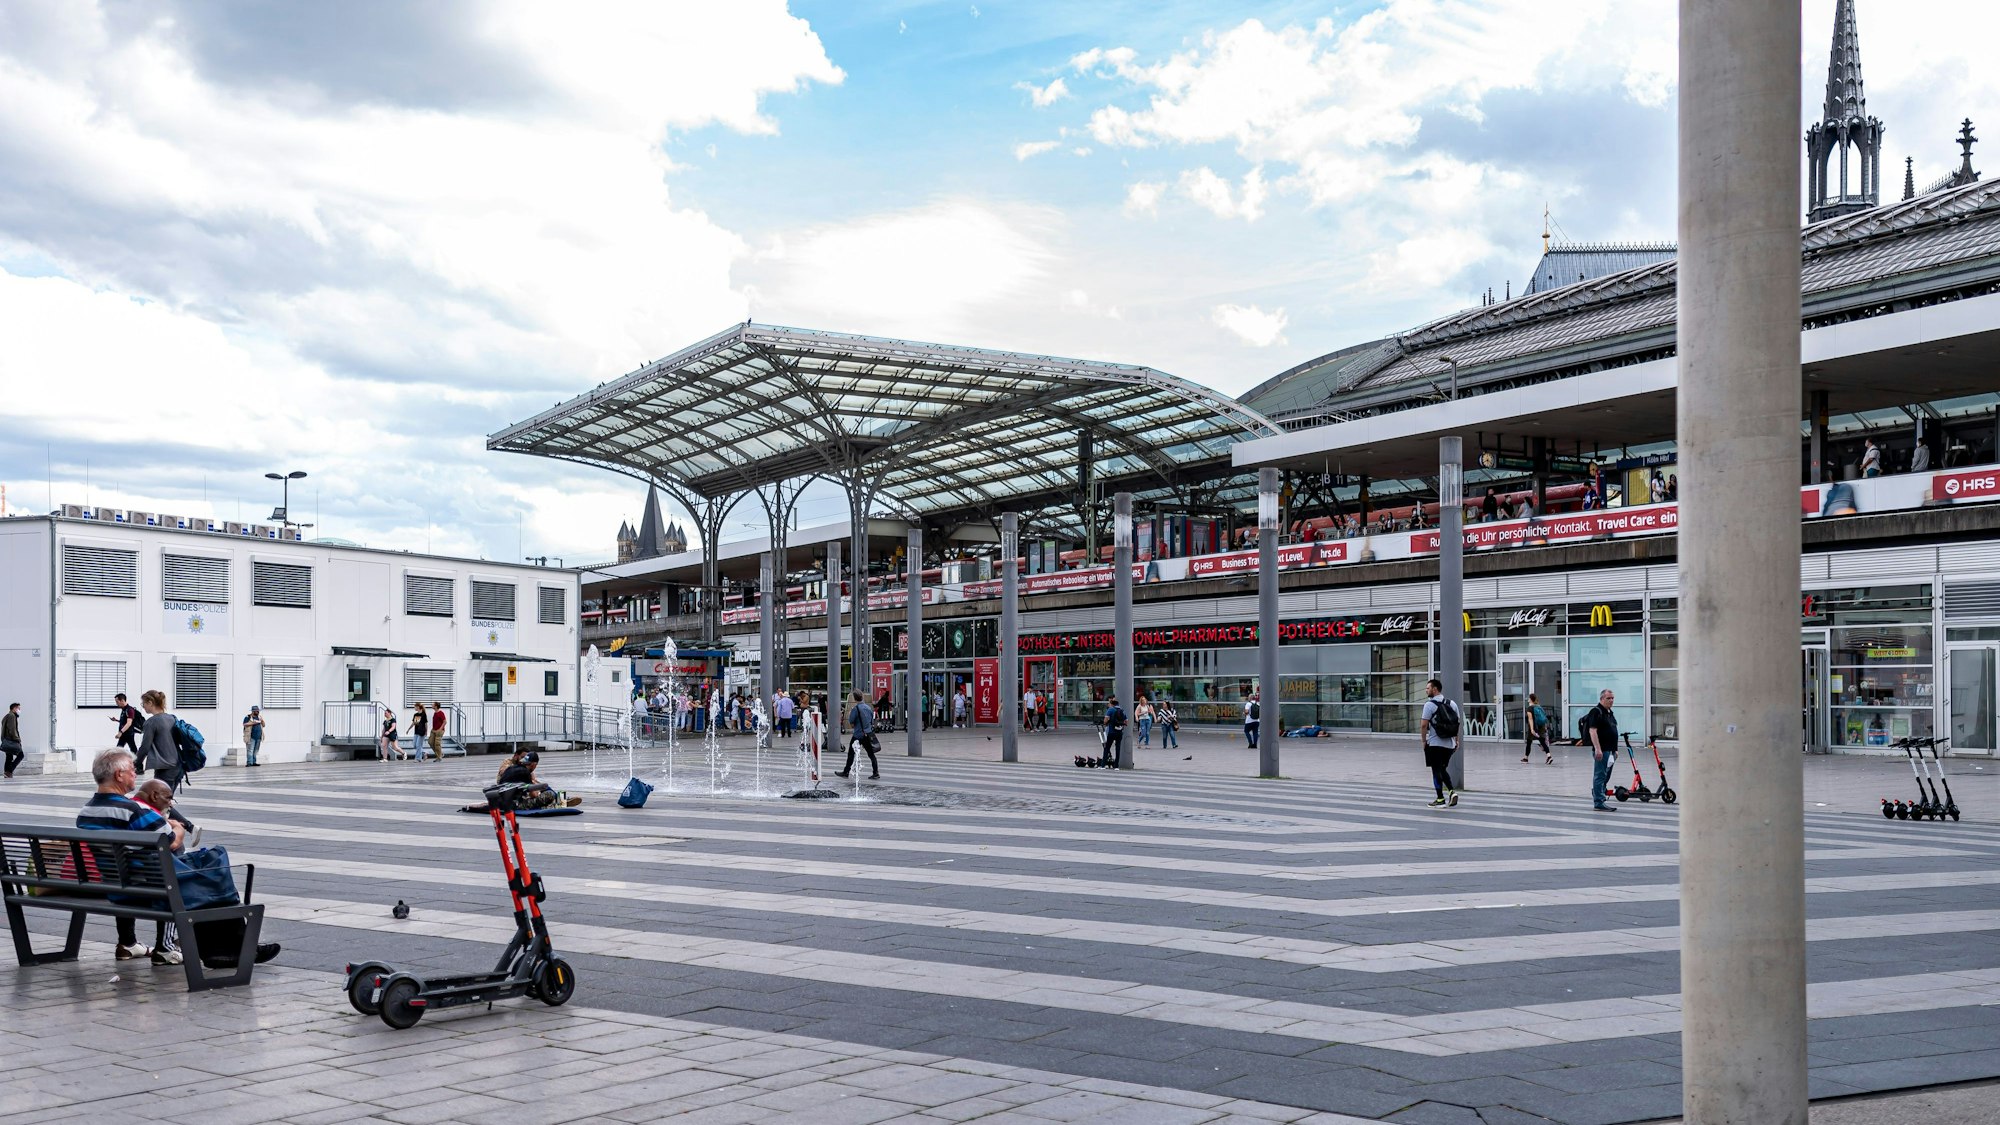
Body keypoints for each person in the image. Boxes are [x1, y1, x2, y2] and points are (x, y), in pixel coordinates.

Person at [77, 749, 183, 964]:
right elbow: (171, 841)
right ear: (119, 775)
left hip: (111, 885)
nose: (136, 774)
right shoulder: (133, 809)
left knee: (126, 867)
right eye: (133, 770)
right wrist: (178, 827)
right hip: (146, 887)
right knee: (178, 877)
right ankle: (165, 948)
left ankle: (128, 942)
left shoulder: (85, 811)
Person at [1420, 678, 1460, 808]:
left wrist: (1423, 741)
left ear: (1435, 689)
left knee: (1436, 770)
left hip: (1435, 743)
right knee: (1442, 768)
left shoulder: (1429, 705)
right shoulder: (1452, 703)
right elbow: (1456, 724)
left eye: (1428, 688)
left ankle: (1442, 797)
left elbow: (1423, 725)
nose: (1426, 690)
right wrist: (1456, 740)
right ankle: (1449, 793)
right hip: (1449, 744)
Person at [495, 749, 581, 807]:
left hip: (504, 799)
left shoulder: (513, 768)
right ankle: (559, 801)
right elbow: (534, 794)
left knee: (542, 787)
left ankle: (561, 800)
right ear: (534, 764)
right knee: (549, 794)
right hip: (515, 804)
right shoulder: (524, 772)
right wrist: (539, 793)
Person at [136, 689, 184, 792]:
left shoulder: (151, 722)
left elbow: (145, 747)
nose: (143, 706)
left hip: (165, 768)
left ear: (150, 702)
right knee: (165, 802)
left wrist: (135, 763)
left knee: (160, 804)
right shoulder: (172, 718)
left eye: (143, 703)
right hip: (178, 766)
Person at [1582, 689, 1620, 812]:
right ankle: (1598, 802)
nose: (1611, 700)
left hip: (1610, 751)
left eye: (1613, 698)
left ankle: (1599, 793)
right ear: (1602, 699)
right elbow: (1592, 731)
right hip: (1602, 750)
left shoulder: (1610, 713)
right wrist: (1598, 749)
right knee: (1600, 775)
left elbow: (1613, 731)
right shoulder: (1596, 712)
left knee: (1606, 775)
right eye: (1608, 698)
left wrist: (1615, 750)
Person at [837, 692, 879, 780]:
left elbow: (851, 721)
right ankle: (876, 772)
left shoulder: (856, 709)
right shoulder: (868, 708)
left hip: (858, 735)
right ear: (862, 697)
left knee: (851, 754)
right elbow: (871, 720)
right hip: (867, 734)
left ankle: (846, 772)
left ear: (855, 699)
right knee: (871, 754)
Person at [1520, 691, 1552, 765]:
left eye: (1528, 698)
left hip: (1534, 727)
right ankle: (1549, 756)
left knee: (1529, 742)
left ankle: (1526, 758)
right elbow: (1544, 717)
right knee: (1542, 742)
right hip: (1541, 726)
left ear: (1531, 699)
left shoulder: (1529, 708)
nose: (1527, 699)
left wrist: (1532, 729)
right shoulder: (1539, 707)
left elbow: (1530, 719)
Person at [1099, 697, 1126, 768]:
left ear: (1112, 704)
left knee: (1107, 747)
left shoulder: (1110, 710)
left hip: (1111, 732)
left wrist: (1108, 722)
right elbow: (1126, 721)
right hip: (1119, 732)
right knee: (1118, 748)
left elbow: (1105, 720)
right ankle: (1116, 766)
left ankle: (1103, 765)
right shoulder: (1122, 710)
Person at [2, 701, 23, 778]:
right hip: (11, 740)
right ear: (14, 708)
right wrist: (17, 739)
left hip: (7, 740)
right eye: (18, 708)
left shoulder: (7, 716)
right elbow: (12, 729)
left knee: (9, 757)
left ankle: (7, 773)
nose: (19, 710)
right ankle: (9, 771)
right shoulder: (12, 716)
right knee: (21, 755)